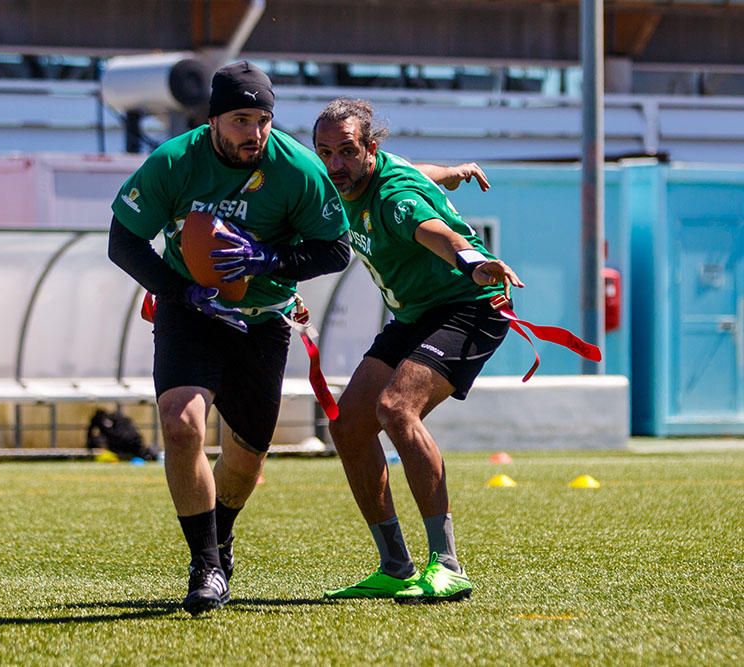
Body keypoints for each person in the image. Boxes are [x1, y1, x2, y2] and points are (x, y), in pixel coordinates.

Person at [108, 62, 350, 615]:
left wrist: (271, 258)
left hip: (263, 319)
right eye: (242, 120)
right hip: (190, 312)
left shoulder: (298, 168)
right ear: (213, 119)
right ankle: (205, 565)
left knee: (246, 460)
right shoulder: (174, 161)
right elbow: (124, 241)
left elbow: (334, 249)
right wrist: (180, 292)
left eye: (263, 120)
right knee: (181, 421)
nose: (255, 133)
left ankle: (221, 538)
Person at [311, 98, 524, 603]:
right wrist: (451, 173)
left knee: (395, 408)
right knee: (347, 425)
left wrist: (473, 261)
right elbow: (420, 170)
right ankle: (395, 566)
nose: (334, 164)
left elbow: (437, 232)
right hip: (414, 313)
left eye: (346, 151)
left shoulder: (393, 197)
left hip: (471, 303)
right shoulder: (350, 178)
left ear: (370, 148)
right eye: (325, 152)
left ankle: (447, 565)